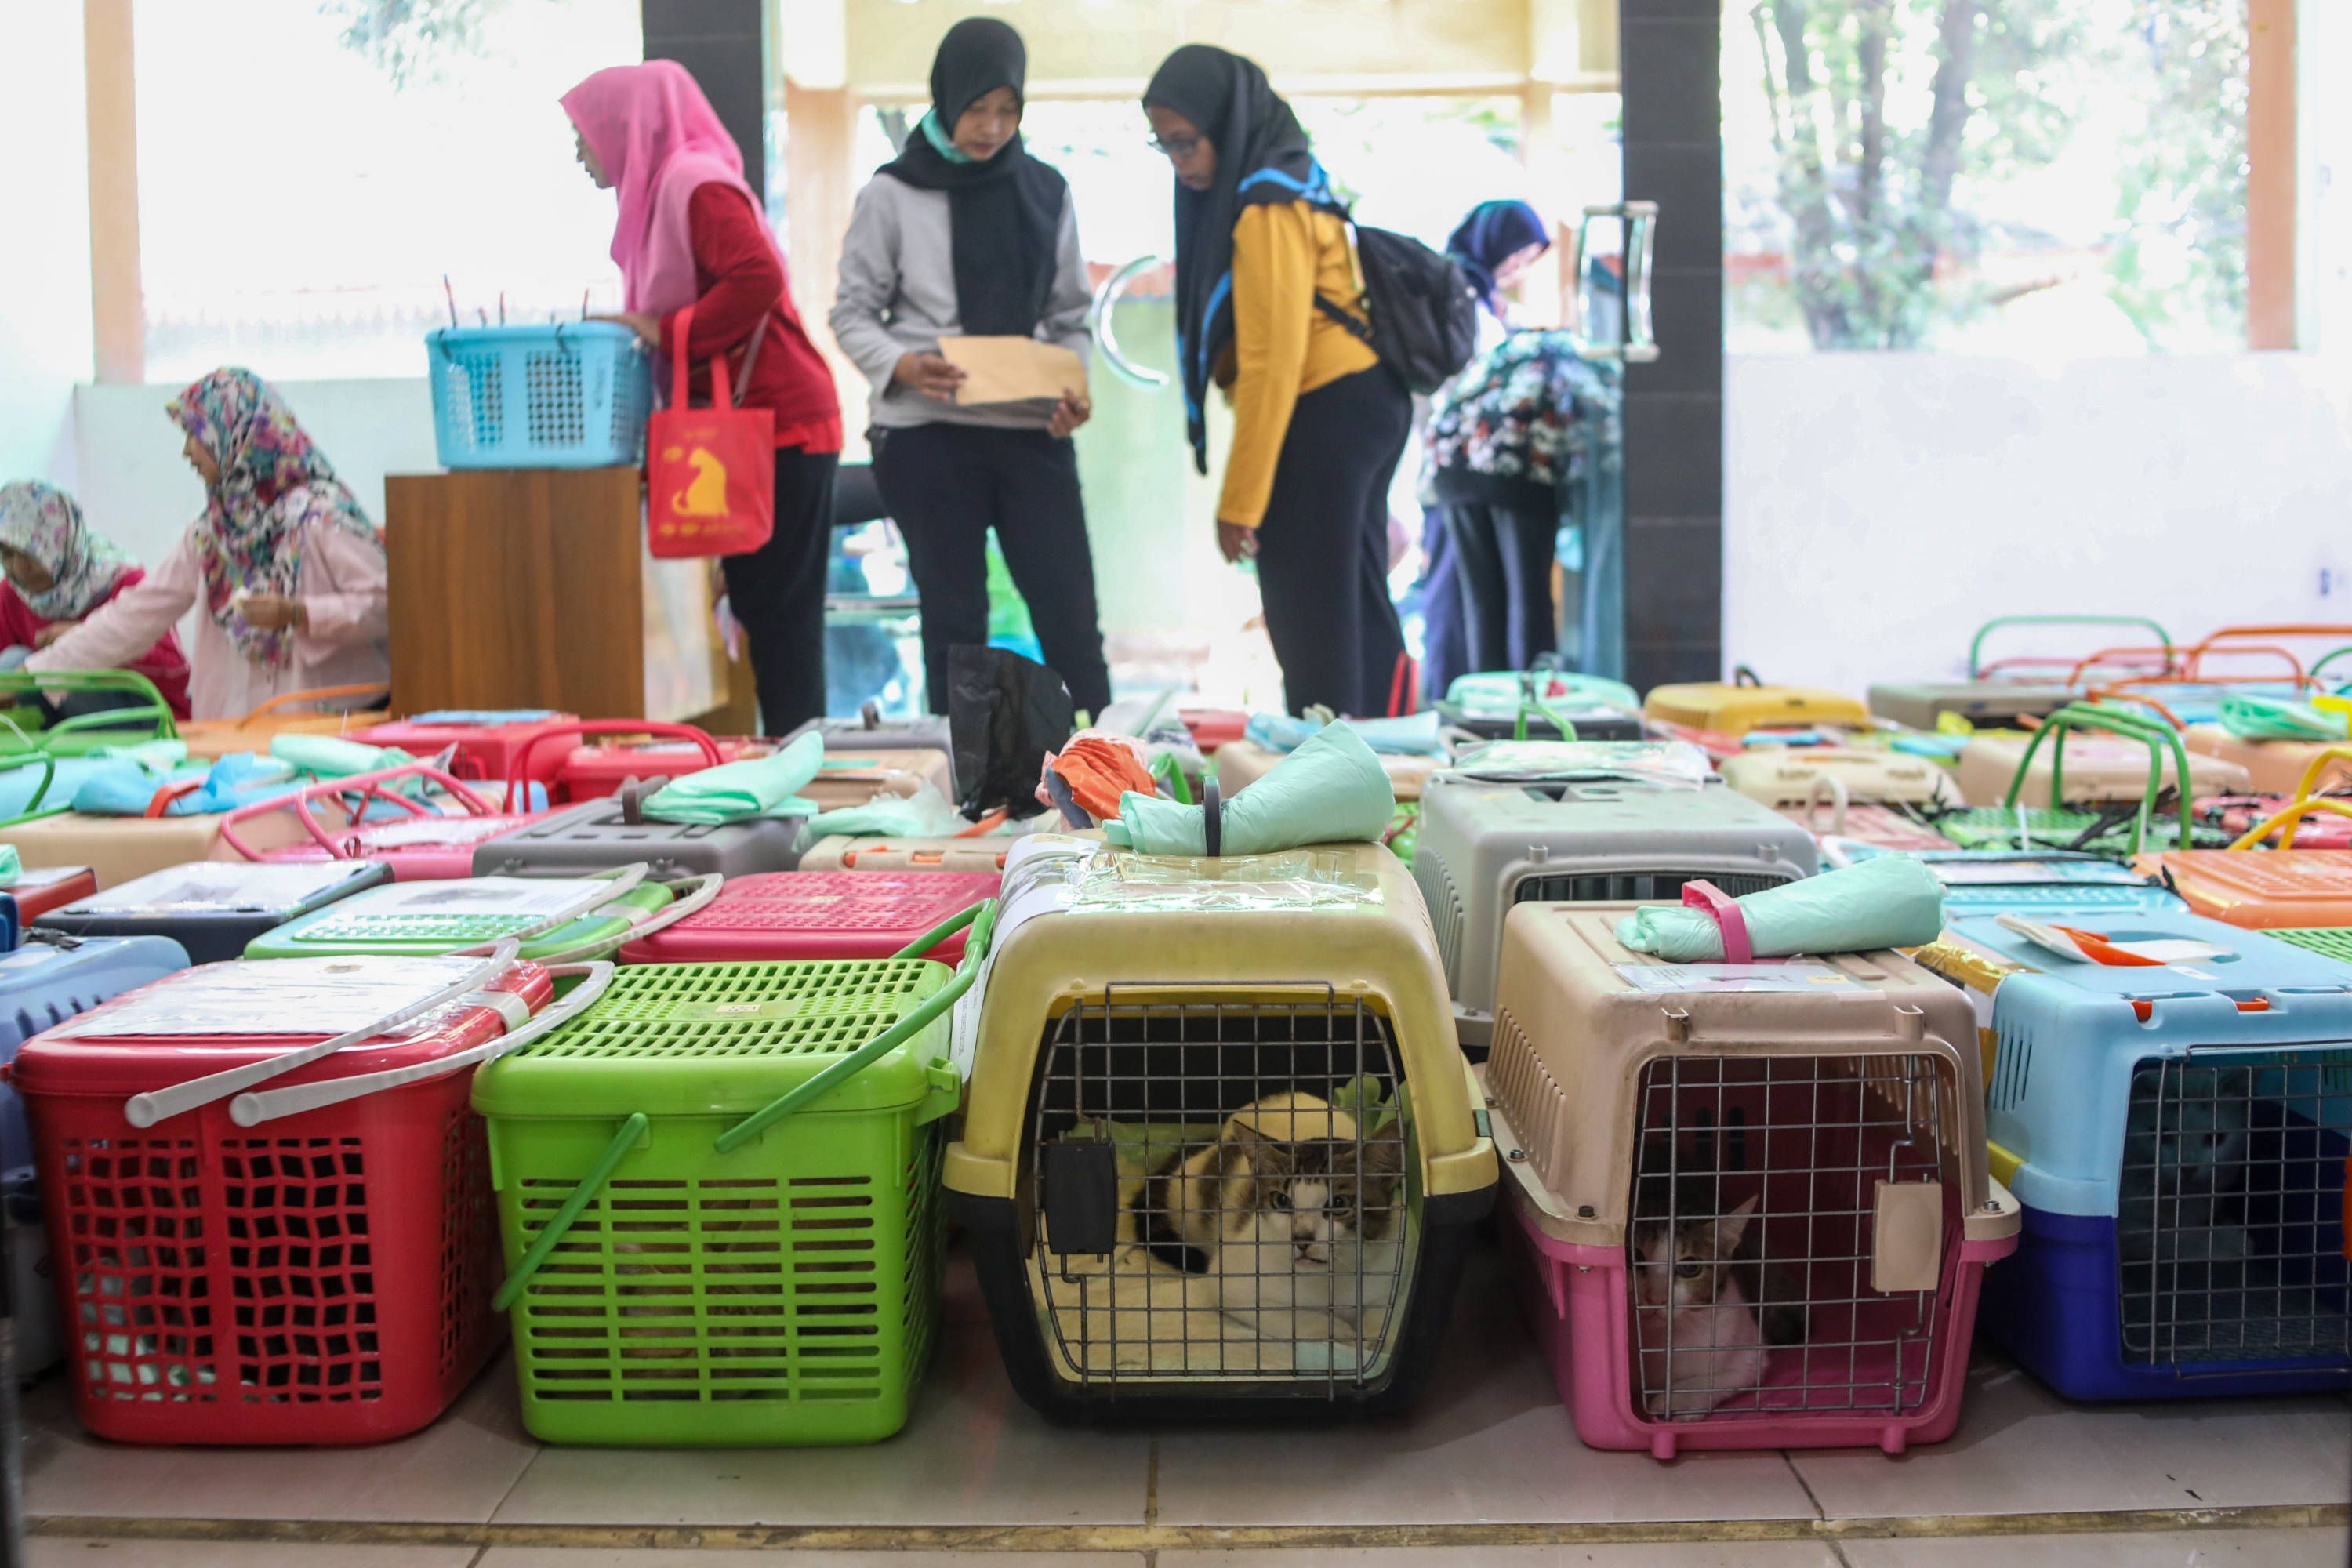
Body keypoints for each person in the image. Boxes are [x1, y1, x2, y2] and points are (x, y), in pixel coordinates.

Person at [831, 18, 1112, 720]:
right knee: (957, 624)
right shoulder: (892, 193)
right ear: (946, 98)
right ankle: (969, 774)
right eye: (976, 108)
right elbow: (852, 313)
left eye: (1008, 109)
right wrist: (903, 365)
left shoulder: (1046, 190)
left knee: (1072, 616)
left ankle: (1109, 765)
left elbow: (1070, 316)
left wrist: (1072, 389)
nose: (991, 127)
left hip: (1028, 429)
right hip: (927, 432)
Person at [564, 60, 843, 735]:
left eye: (584, 135)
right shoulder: (667, 191)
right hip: (759, 429)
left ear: (626, 128)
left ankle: (801, 775)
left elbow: (757, 278)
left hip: (783, 425)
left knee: (780, 623)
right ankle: (794, 766)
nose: (579, 153)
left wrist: (666, 331)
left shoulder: (692, 184)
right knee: (767, 615)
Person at [1144, 45, 1410, 719]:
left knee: (1310, 615)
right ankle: (1385, 754)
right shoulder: (1295, 177)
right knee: (1352, 603)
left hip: (1324, 411)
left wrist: (1241, 501)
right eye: (1164, 145)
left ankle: (1333, 766)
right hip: (1360, 402)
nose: (1179, 162)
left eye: (1187, 142)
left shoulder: (1266, 203)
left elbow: (1272, 362)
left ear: (1225, 124)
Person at [25, 368, 387, 722]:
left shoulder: (321, 515)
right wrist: (37, 674)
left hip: (331, 728)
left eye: (195, 435)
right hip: (236, 732)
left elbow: (386, 606)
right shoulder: (212, 533)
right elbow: (137, 613)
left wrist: (299, 613)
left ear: (238, 435)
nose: (187, 452)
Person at [1425, 324, 1617, 678]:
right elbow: (1607, 447)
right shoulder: (1588, 367)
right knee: (1529, 600)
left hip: (1452, 467)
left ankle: (1488, 701)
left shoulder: (1506, 359)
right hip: (1517, 467)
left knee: (1482, 603)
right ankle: (1534, 700)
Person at [1420, 199, 1552, 691]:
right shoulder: (1454, 292)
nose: (1518, 267)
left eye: (1529, 259)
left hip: (1475, 464)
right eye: (1518, 253)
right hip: (1461, 464)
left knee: (1483, 604)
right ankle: (1455, 702)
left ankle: (1479, 705)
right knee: (1457, 602)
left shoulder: (1487, 300)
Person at [0, 481, 193, 721]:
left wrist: (87, 641)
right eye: (8, 554)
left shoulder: (123, 581)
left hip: (145, 715)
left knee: (70, 678)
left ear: (60, 543)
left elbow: (175, 670)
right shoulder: (13, 592)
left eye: (32, 552)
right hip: (61, 723)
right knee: (11, 665)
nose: (19, 568)